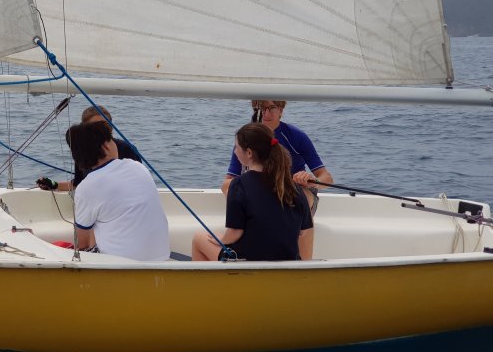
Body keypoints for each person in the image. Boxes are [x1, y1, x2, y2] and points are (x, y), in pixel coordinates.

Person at [193, 123, 314, 261]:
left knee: (199, 238)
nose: (235, 152)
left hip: (247, 263)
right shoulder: (293, 187)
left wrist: (221, 239)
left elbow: (235, 232)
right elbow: (304, 232)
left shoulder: (238, 184)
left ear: (249, 153)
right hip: (287, 263)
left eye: (236, 147)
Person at [66, 121, 170, 261]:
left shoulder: (86, 187)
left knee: (88, 228)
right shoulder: (137, 167)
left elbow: (82, 243)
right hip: (162, 257)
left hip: (120, 265)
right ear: (106, 146)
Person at [221, 100, 333, 212]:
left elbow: (327, 178)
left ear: (281, 110)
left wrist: (313, 181)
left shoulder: (296, 136)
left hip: (294, 191)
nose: (266, 114)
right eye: (262, 108)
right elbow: (226, 184)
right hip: (261, 194)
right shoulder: (245, 139)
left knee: (301, 196)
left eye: (272, 108)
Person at [36, 105, 141, 191]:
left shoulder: (127, 149)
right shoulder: (84, 152)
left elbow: (138, 183)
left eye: (105, 124)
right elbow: (77, 183)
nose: (102, 129)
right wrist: (54, 184)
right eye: (96, 125)